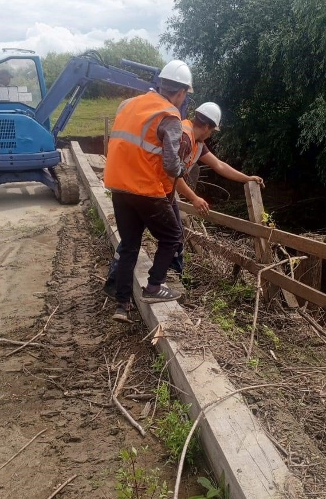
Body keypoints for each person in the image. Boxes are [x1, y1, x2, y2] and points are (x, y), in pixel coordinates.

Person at [102, 101, 264, 302]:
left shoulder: (196, 142)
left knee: (140, 238)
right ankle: (153, 283)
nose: (211, 135)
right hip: (155, 193)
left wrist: (247, 178)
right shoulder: (184, 138)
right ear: (206, 127)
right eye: (212, 131)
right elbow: (172, 177)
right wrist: (194, 198)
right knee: (166, 237)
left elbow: (219, 165)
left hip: (160, 193)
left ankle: (139, 282)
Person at [103, 59, 194, 323]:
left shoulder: (130, 104)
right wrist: (181, 171)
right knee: (173, 236)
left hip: (118, 186)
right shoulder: (170, 115)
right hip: (145, 189)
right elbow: (169, 163)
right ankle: (154, 287)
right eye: (185, 95)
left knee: (129, 245)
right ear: (180, 92)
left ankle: (121, 304)